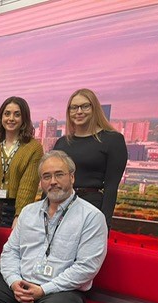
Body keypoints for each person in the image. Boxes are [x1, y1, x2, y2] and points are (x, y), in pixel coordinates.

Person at [0, 150, 108, 303]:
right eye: (46, 176)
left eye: (59, 174)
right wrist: (13, 281)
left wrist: (44, 289)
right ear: (41, 182)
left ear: (72, 177)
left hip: (61, 289)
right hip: (20, 282)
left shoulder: (91, 217)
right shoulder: (29, 212)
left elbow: (86, 267)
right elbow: (10, 251)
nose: (52, 181)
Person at [53, 88, 128, 227]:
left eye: (85, 106)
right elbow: (51, 181)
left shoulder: (113, 140)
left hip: (92, 208)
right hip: (60, 206)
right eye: (74, 107)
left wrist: (104, 225)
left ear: (95, 109)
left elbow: (111, 188)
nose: (79, 111)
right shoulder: (62, 143)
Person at [0, 96, 42, 227]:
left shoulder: (33, 147)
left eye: (17, 114)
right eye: (7, 114)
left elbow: (29, 185)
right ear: (1, 117)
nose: (11, 118)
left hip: (15, 208)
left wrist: (19, 215)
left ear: (24, 118)